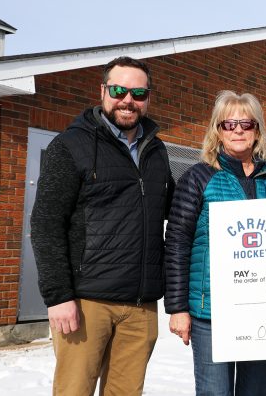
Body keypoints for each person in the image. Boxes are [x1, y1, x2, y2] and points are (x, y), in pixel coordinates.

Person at [30, 56, 174, 395]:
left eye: (138, 92)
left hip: (140, 306)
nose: (128, 100)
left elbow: (175, 207)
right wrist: (59, 296)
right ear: (103, 90)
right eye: (119, 90)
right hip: (85, 304)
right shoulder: (70, 146)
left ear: (148, 97)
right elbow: (46, 223)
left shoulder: (157, 151)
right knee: (74, 391)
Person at [164, 91, 266, 396]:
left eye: (247, 123)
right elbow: (177, 243)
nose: (239, 131)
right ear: (217, 130)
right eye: (229, 124)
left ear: (258, 130)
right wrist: (178, 307)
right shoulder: (198, 177)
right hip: (211, 313)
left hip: (262, 309)